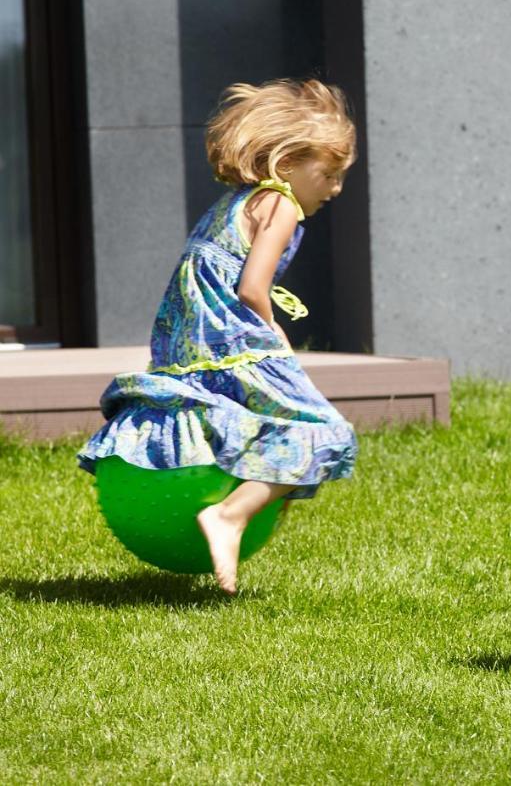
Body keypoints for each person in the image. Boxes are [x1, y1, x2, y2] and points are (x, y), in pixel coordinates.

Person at [79, 78, 359, 595]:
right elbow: (253, 287)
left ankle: (247, 504)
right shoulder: (281, 205)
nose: (335, 188)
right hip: (233, 339)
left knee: (242, 424)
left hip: (193, 343)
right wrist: (274, 334)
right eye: (329, 174)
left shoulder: (236, 202)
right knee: (328, 432)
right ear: (288, 163)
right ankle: (230, 515)